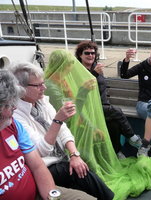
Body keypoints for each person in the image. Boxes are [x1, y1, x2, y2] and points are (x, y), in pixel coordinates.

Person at [43, 49, 151, 200]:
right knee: (125, 114)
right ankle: (145, 145)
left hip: (150, 105)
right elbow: (71, 113)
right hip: (76, 122)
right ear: (62, 65)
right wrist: (126, 60)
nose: (71, 68)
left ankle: (133, 146)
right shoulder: (57, 84)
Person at [11, 62, 114, 200]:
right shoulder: (16, 114)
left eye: (43, 83)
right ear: (21, 88)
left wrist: (74, 154)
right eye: (38, 85)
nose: (44, 87)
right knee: (80, 173)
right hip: (43, 167)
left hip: (60, 157)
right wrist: (58, 120)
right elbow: (42, 151)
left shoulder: (42, 102)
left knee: (83, 164)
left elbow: (63, 129)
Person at [75, 40, 142, 158]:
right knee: (117, 111)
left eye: (93, 53)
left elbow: (102, 86)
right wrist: (94, 73)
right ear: (80, 55)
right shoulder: (78, 70)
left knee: (114, 124)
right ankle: (132, 137)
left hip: (103, 105)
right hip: (89, 108)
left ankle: (116, 152)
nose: (90, 55)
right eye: (87, 53)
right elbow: (82, 88)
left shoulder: (97, 67)